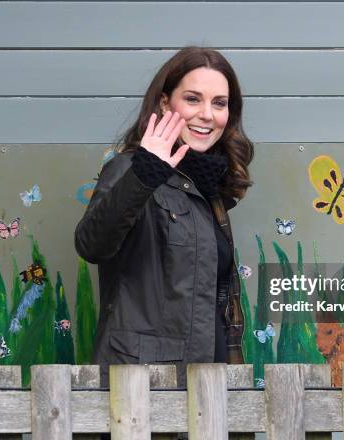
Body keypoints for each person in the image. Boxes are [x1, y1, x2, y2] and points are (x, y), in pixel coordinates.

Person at [74, 47, 254, 389]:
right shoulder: (131, 169)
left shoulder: (211, 190)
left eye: (219, 103)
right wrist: (146, 173)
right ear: (164, 103)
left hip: (209, 382)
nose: (207, 114)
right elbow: (91, 245)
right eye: (192, 99)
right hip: (144, 386)